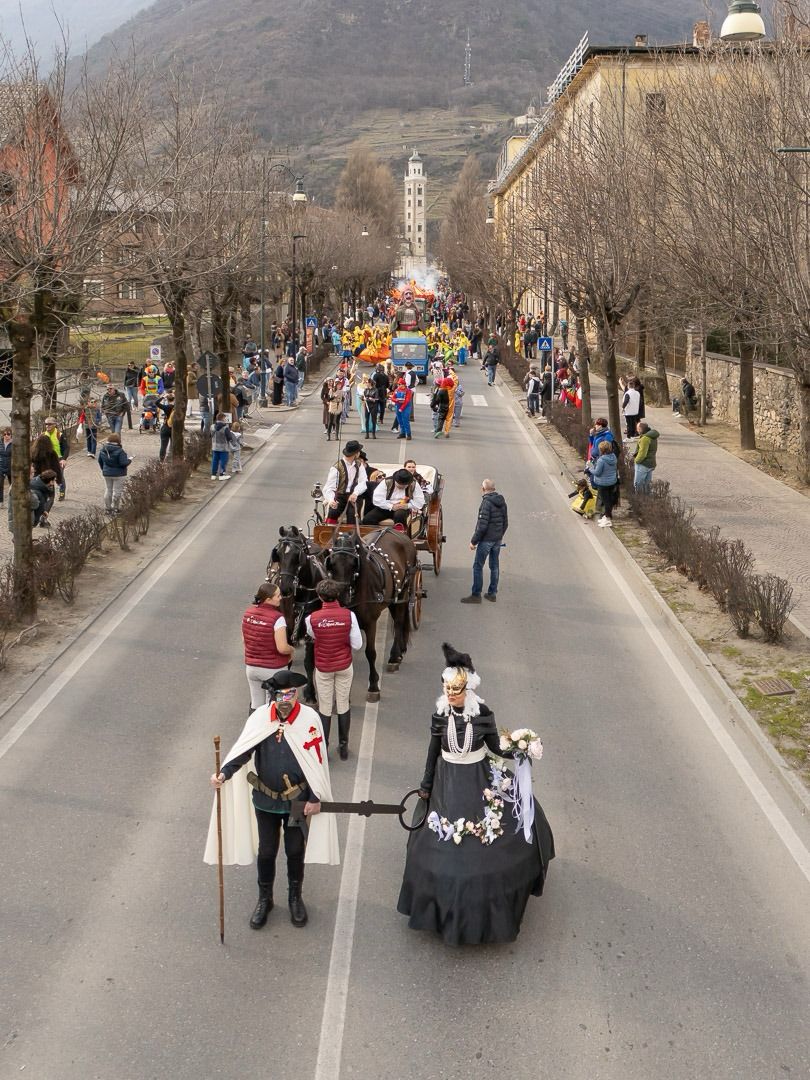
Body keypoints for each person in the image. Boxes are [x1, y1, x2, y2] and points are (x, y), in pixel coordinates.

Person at [397, 644, 554, 946]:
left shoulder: (482, 713)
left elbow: (495, 746)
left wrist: (520, 746)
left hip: (479, 779)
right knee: (439, 846)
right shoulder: (440, 715)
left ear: (468, 688)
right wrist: (426, 784)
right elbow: (433, 752)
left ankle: (484, 918)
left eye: (456, 689)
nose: (451, 694)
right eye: (447, 688)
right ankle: (442, 914)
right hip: (447, 784)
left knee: (488, 848)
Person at [205, 670, 338, 930]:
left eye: (290, 694)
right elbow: (243, 751)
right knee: (266, 851)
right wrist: (224, 773)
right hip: (265, 800)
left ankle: (295, 898)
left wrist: (314, 797)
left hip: (297, 802)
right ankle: (264, 899)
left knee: (295, 850)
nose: (285, 699)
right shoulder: (260, 719)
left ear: (296, 694)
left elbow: (316, 761)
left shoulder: (309, 719)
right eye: (280, 695)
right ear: (273, 696)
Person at [305, 580, 363, 760]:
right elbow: (357, 644)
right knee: (343, 703)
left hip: (323, 667)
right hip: (344, 666)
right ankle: (343, 747)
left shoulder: (311, 618)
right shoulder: (349, 615)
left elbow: (313, 636)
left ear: (320, 596)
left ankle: (324, 746)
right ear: (338, 595)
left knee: (325, 707)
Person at [242, 581, 295, 711]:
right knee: (277, 707)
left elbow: (245, 641)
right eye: (278, 596)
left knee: (256, 704)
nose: (281, 598)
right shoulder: (278, 618)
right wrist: (292, 650)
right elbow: (282, 648)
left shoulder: (248, 614)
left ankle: (255, 729)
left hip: (252, 668)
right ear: (268, 599)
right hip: (273, 669)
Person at [460, 479, 508, 604]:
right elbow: (505, 522)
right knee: (494, 566)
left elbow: (482, 526)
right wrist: (499, 535)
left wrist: (473, 541)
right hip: (497, 539)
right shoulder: (502, 502)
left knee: (478, 566)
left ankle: (476, 595)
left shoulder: (486, 503)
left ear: (483, 489)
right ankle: (492, 594)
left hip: (486, 540)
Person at [323, 440, 367, 524]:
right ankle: (329, 532)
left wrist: (355, 493)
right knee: (333, 512)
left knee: (352, 514)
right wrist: (331, 500)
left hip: (354, 496)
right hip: (340, 496)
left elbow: (363, 482)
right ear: (356, 454)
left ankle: (351, 535)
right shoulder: (336, 468)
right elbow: (330, 487)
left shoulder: (359, 465)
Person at [97, 432, 132, 514]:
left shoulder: (103, 450)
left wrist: (104, 469)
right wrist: (130, 460)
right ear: (118, 441)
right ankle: (115, 508)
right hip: (119, 474)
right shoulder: (120, 451)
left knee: (108, 490)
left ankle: (107, 508)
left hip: (107, 474)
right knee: (117, 491)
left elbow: (100, 461)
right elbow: (123, 463)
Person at [592, 439, 619, 527]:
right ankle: (607, 516)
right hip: (612, 482)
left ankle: (608, 518)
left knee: (606, 501)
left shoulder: (601, 460)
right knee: (609, 499)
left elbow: (597, 472)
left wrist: (590, 468)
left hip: (603, 483)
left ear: (602, 450)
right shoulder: (613, 457)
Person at [43, 416, 69, 501]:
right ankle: (49, 494)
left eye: (49, 424)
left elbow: (66, 448)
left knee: (59, 476)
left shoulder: (59, 435)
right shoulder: (43, 435)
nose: (47, 426)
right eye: (46, 424)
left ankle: (62, 493)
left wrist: (64, 459)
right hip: (48, 459)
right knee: (47, 477)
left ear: (54, 425)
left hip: (59, 459)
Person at [633, 420, 659, 492]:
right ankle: (646, 500)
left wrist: (636, 461)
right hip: (651, 463)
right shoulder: (652, 436)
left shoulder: (645, 439)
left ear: (641, 429)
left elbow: (642, 454)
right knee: (646, 485)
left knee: (638, 484)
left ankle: (638, 500)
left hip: (643, 464)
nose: (637, 430)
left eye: (637, 429)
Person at [210, 413, 237, 480]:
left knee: (214, 460)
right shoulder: (225, 428)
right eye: (225, 418)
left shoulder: (212, 426)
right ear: (222, 419)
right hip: (223, 448)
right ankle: (222, 475)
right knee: (223, 461)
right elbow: (229, 438)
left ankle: (213, 475)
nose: (225, 419)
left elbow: (210, 435)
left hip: (215, 447)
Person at [359, 375, 378, 439]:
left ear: (370, 383)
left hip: (373, 406)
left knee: (373, 420)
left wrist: (371, 399)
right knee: (366, 420)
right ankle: (367, 434)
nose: (366, 383)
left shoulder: (375, 390)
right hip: (367, 406)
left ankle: (373, 433)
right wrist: (362, 398)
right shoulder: (365, 390)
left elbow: (376, 399)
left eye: (367, 382)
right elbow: (363, 397)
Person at [157, 392, 174, 462]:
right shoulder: (176, 407)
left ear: (167, 400)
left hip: (165, 427)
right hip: (174, 428)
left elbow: (156, 403)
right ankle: (170, 459)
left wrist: (163, 397)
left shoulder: (166, 407)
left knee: (163, 446)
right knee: (173, 445)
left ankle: (161, 460)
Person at [0, 427, 11, 505]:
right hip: (1, 466)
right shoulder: (0, 443)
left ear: (11, 435)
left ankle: (13, 501)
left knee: (12, 485)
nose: (6, 436)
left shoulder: (14, 444)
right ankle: (1, 502)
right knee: (0, 485)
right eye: (4, 434)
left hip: (10, 467)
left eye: (8, 434)